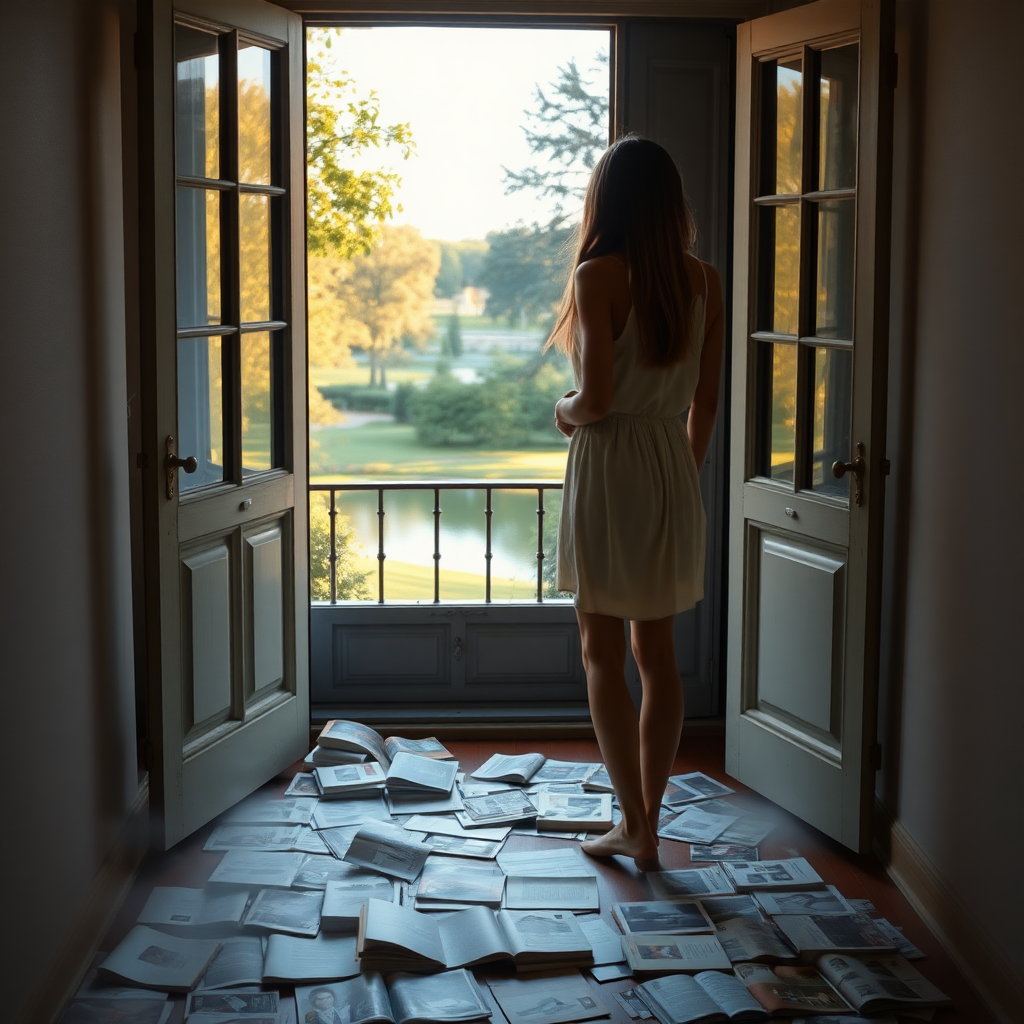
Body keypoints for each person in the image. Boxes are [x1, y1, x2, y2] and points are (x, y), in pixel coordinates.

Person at [551, 135, 725, 870]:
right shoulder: (703, 280)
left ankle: (635, 827)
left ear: (607, 201)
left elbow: (594, 400)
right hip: (669, 469)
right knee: (658, 656)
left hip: (610, 465)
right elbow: (706, 405)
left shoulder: (598, 275)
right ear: (671, 204)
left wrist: (560, 411)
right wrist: (679, 479)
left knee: (600, 651)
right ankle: (648, 817)